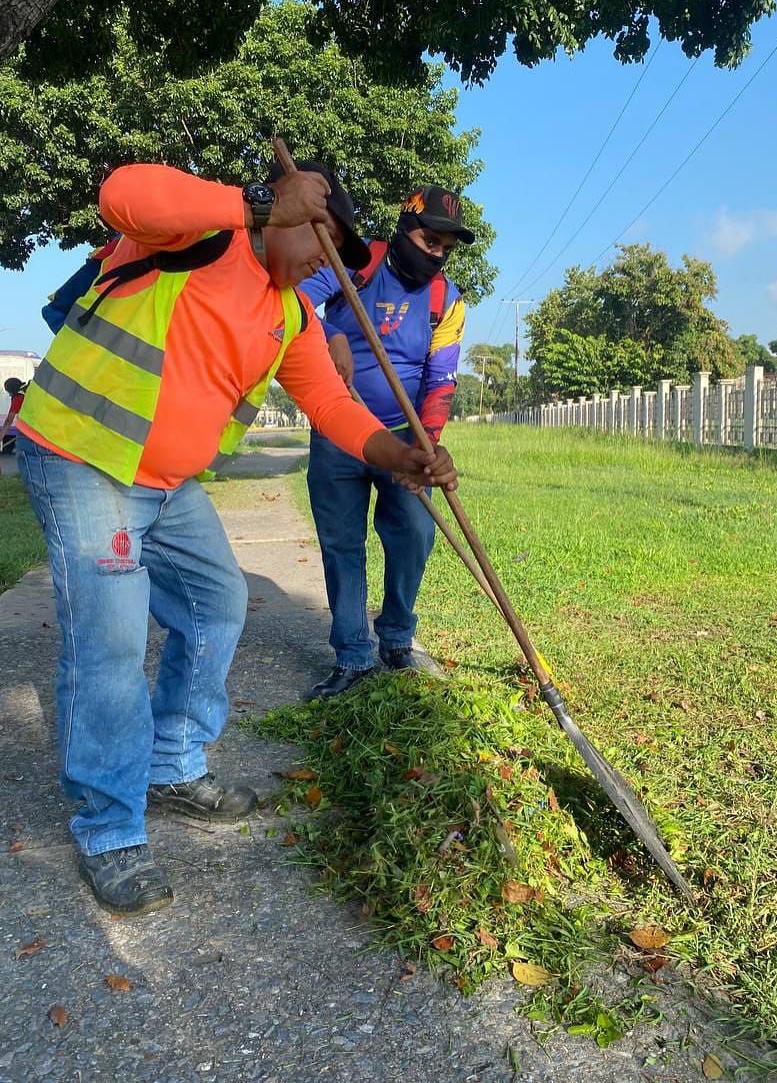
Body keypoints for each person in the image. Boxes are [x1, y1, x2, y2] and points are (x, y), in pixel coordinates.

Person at [16, 159, 458, 917]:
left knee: (218, 602)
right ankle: (110, 830)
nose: (329, 264)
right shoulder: (200, 233)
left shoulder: (292, 315)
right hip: (83, 460)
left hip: (166, 484)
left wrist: (403, 455)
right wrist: (252, 204)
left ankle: (172, 765)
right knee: (110, 644)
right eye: (325, 241)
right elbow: (122, 193)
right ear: (287, 210)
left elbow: (331, 403)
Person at [298, 185, 473, 700]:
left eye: (445, 248)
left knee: (415, 535)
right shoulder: (356, 262)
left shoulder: (447, 301)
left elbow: (440, 379)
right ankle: (353, 655)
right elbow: (293, 300)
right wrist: (328, 335)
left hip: (402, 436)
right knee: (341, 544)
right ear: (403, 229)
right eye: (429, 241)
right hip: (338, 429)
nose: (436, 254)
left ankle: (396, 640)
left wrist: (425, 446)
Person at [0, 376, 27, 453]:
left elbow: (9, 420)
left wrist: (1, 435)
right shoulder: (26, 392)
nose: (9, 395)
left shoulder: (18, 397)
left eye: (9, 392)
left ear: (12, 390)